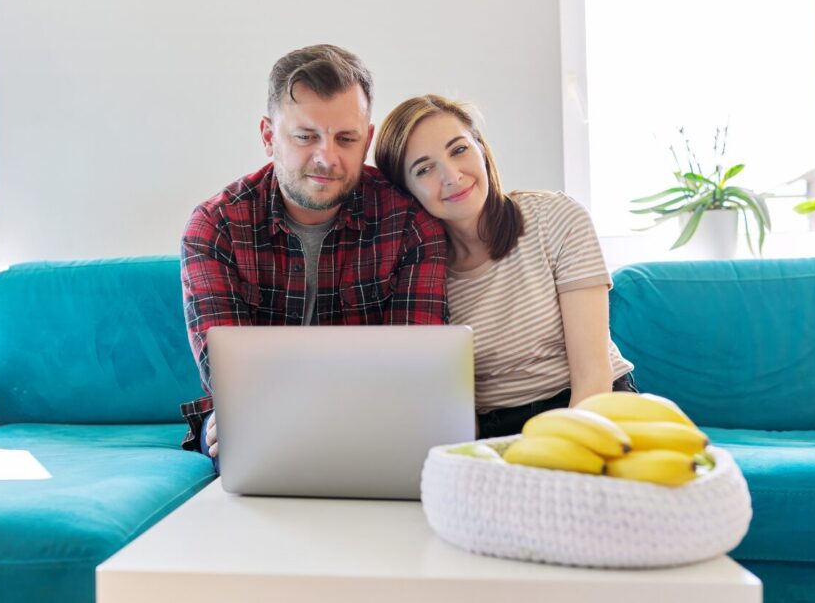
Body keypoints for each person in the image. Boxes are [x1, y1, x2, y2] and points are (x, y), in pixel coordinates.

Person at [180, 46, 449, 464]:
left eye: (346, 138)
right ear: (269, 137)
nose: (327, 158)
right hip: (257, 416)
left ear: (368, 141)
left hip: (376, 422)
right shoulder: (215, 227)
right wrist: (241, 412)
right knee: (232, 436)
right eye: (305, 137)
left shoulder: (411, 224)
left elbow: (416, 374)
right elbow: (229, 377)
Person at [373, 94, 637, 438]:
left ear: (481, 149)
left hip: (592, 406)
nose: (451, 176)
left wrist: (561, 450)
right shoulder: (417, 274)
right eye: (424, 169)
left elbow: (593, 377)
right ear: (406, 191)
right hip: (497, 430)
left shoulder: (556, 218)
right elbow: (450, 402)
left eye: (459, 150)